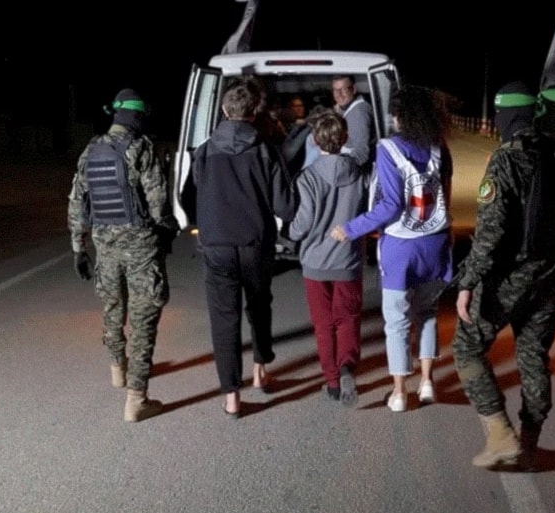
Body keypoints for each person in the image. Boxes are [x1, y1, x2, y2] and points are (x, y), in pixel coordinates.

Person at [451, 81, 555, 470]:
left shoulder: (507, 160)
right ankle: (529, 447)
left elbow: (491, 233)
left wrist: (467, 282)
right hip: (551, 274)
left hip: (508, 279)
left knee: (466, 347)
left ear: (508, 116)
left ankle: (499, 435)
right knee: (533, 358)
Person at [331, 85, 453, 413]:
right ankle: (427, 382)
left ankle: (399, 393)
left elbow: (390, 205)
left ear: (400, 115)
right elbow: (445, 198)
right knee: (427, 314)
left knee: (397, 322)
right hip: (436, 243)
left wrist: (351, 228)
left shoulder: (388, 148)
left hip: (401, 247)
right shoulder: (440, 148)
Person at [67, 88, 179, 423]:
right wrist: (167, 229)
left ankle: (118, 369)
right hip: (140, 245)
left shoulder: (91, 150)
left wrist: (78, 248)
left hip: (105, 244)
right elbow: (158, 201)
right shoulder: (141, 148)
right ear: (138, 117)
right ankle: (136, 398)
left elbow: (77, 201)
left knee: (113, 307)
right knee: (145, 315)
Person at [192, 77, 295, 418]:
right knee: (259, 305)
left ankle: (231, 397)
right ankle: (261, 370)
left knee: (225, 318)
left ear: (224, 110)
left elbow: (193, 195)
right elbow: (285, 207)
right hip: (255, 244)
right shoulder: (265, 149)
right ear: (253, 113)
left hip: (217, 245)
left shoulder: (205, 150)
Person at [287, 109, 367, 407]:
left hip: (316, 262)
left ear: (315, 141)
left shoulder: (307, 178)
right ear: (344, 137)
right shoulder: (359, 173)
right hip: (348, 259)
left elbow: (303, 223)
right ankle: (347, 365)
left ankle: (332, 381)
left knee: (324, 325)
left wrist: (289, 232)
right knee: (347, 318)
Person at [331, 75, 376, 171]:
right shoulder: (343, 108)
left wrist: (339, 171)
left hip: (351, 172)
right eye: (335, 90)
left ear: (354, 89)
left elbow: (362, 152)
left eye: (343, 89)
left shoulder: (359, 112)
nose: (339, 94)